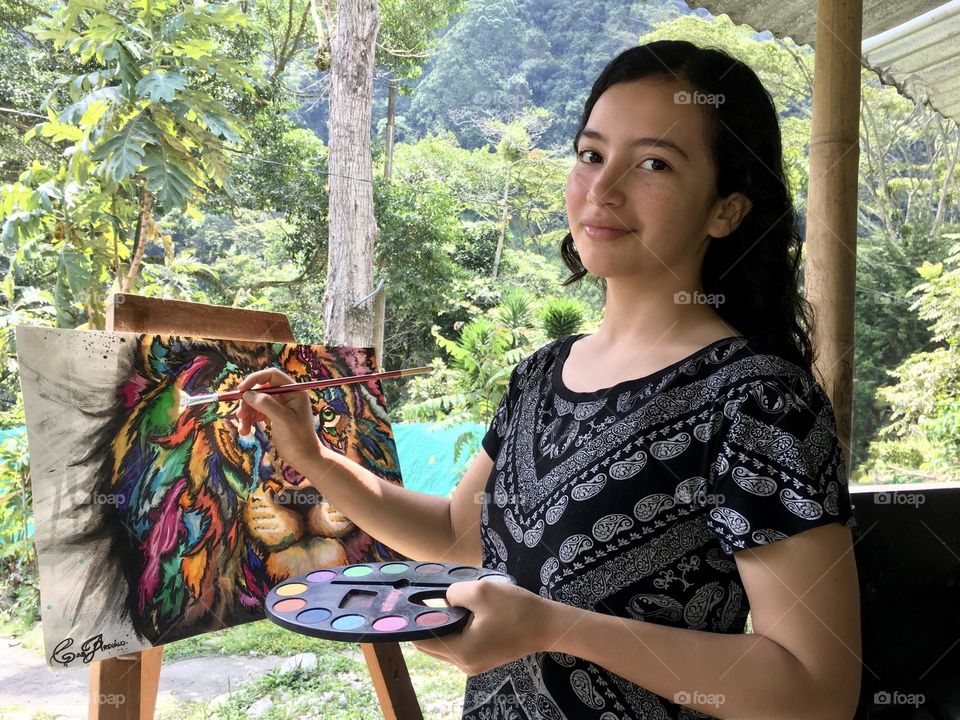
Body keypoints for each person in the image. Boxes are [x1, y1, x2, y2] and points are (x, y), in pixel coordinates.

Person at [236, 40, 861, 720]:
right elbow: (456, 534)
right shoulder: (542, 374)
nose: (603, 187)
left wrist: (553, 626)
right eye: (591, 154)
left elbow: (817, 688)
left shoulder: (758, 400)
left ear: (727, 210)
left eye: (653, 162)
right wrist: (312, 456)